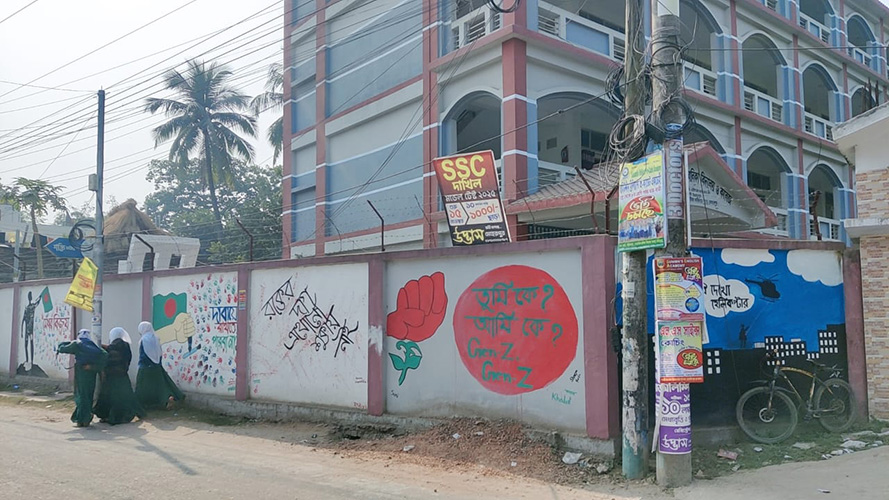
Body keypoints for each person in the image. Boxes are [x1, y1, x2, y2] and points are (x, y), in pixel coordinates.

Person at [93, 327, 145, 425]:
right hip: (123, 375)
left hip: (112, 377)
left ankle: (111, 416)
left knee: (110, 398)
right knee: (127, 396)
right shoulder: (124, 346)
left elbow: (110, 355)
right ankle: (137, 412)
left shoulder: (115, 347)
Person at [57, 330, 107, 427]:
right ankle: (84, 418)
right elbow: (104, 354)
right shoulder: (92, 345)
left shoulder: (77, 344)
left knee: (81, 395)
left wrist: (64, 345)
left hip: (81, 373)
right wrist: (94, 367)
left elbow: (63, 348)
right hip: (91, 374)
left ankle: (82, 419)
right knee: (88, 395)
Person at [135, 321, 185, 410]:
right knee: (160, 387)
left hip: (145, 368)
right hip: (157, 367)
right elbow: (160, 353)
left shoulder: (143, 340)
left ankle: (142, 404)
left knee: (142, 388)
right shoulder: (156, 338)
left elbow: (143, 355)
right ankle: (167, 399)